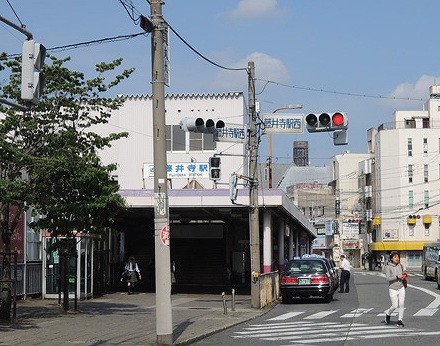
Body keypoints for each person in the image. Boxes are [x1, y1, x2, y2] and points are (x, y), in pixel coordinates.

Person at [384, 251, 407, 327]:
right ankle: (388, 314)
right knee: (394, 305)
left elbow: (401, 275)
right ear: (391, 258)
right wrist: (397, 277)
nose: (397, 258)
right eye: (395, 257)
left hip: (401, 287)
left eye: (398, 257)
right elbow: (387, 278)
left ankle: (400, 320)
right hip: (393, 289)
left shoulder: (400, 265)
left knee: (401, 304)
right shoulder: (388, 267)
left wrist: (403, 276)